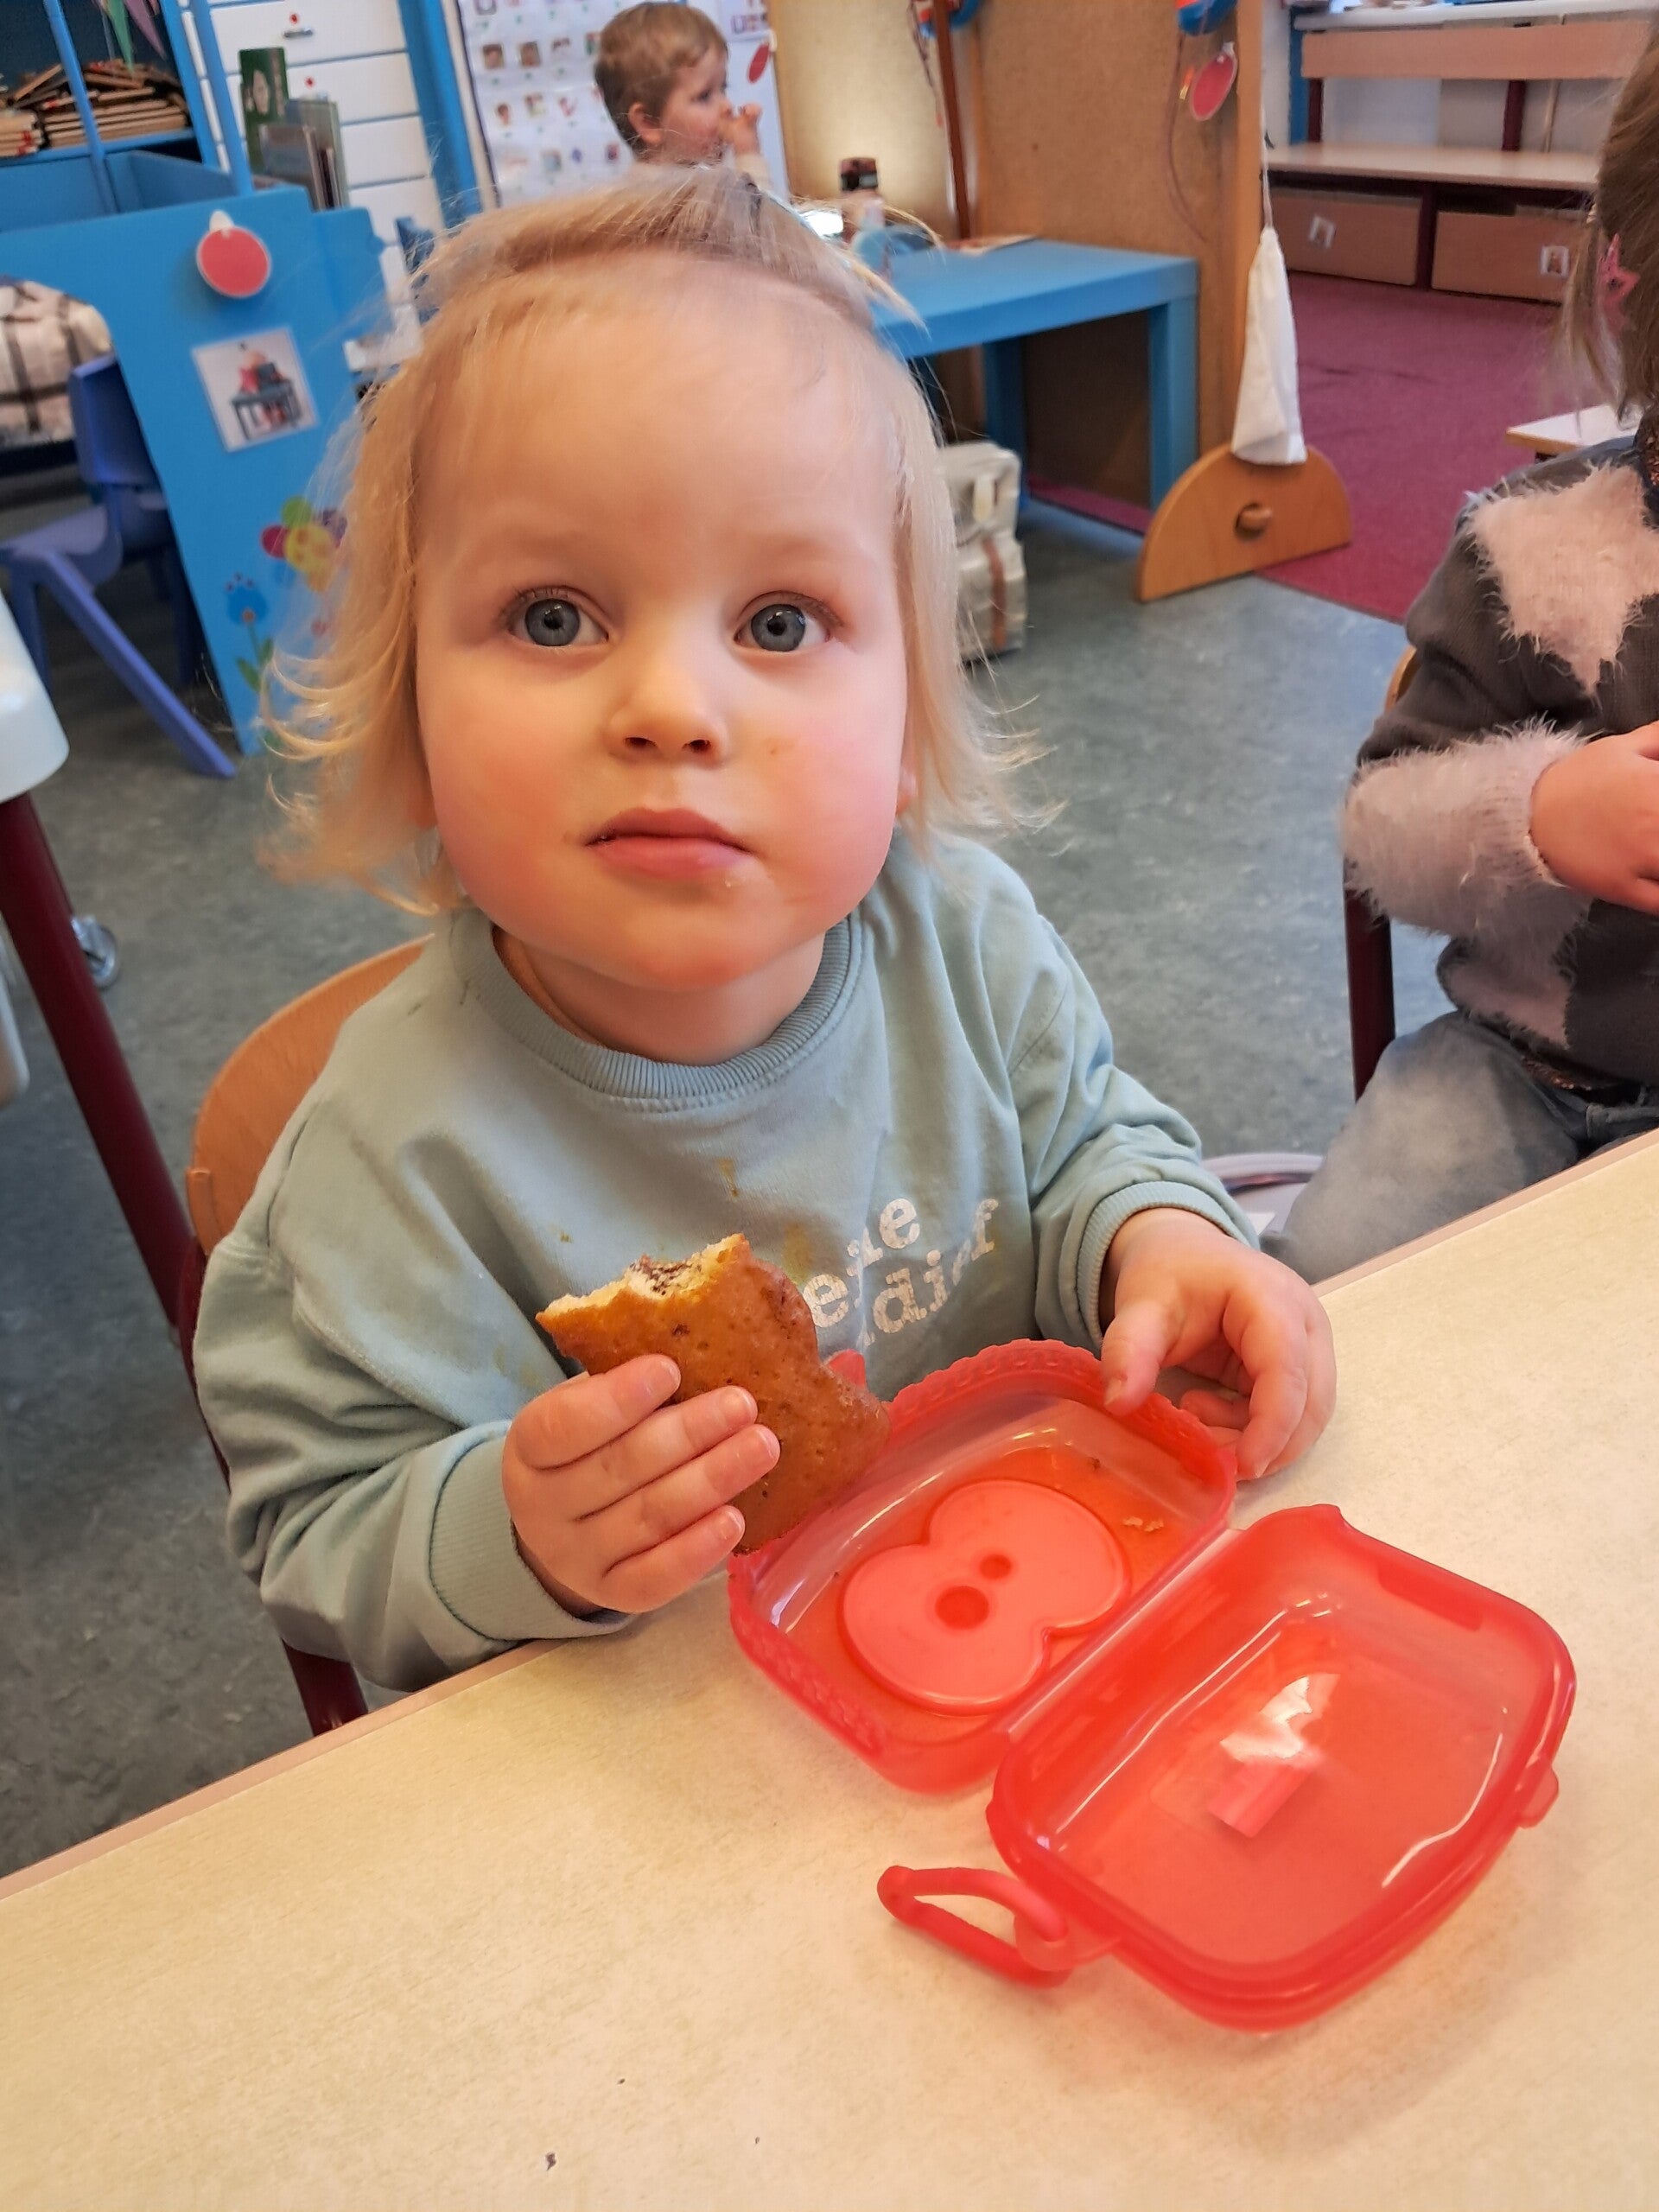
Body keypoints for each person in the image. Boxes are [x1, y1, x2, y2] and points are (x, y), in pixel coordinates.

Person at [194, 170, 1333, 1690]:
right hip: (675, 1744)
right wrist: (510, 1533)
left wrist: (1160, 1236)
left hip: (1031, 1640)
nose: (674, 708)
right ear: (406, 717)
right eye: (553, 616)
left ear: (911, 724)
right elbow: (312, 1526)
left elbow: (1082, 1149)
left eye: (779, 623)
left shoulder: (969, 947)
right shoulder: (381, 1164)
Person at [1275, 29, 1659, 1285]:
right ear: (1629, 281)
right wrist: (1541, 813)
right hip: (1517, 1069)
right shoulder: (1529, 552)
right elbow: (1378, 827)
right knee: (1325, 1298)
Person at [594, 3, 772, 188]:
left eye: (723, 87)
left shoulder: (697, 176)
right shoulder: (669, 198)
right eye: (704, 96)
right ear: (648, 122)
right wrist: (748, 154)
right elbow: (758, 208)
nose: (727, 106)